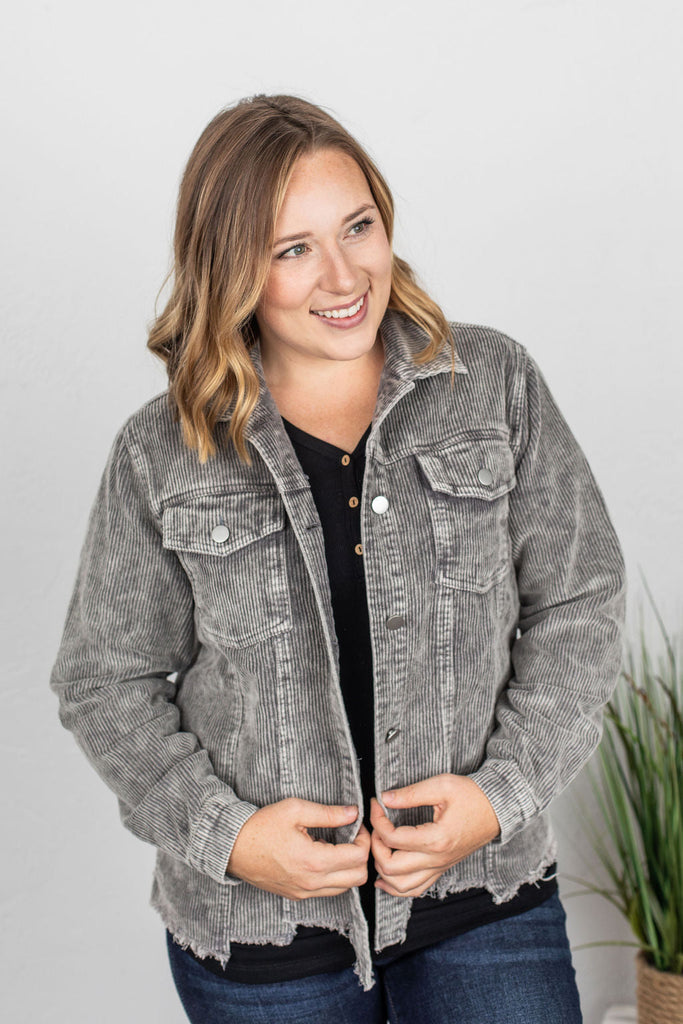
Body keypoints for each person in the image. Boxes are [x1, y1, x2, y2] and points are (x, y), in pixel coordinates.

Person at [50, 94, 626, 1023]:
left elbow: (580, 600)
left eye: (357, 226)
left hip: (483, 894)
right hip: (262, 933)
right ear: (231, 268)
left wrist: (498, 797)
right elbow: (103, 681)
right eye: (292, 249)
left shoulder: (493, 384)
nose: (344, 274)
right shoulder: (160, 452)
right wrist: (231, 837)